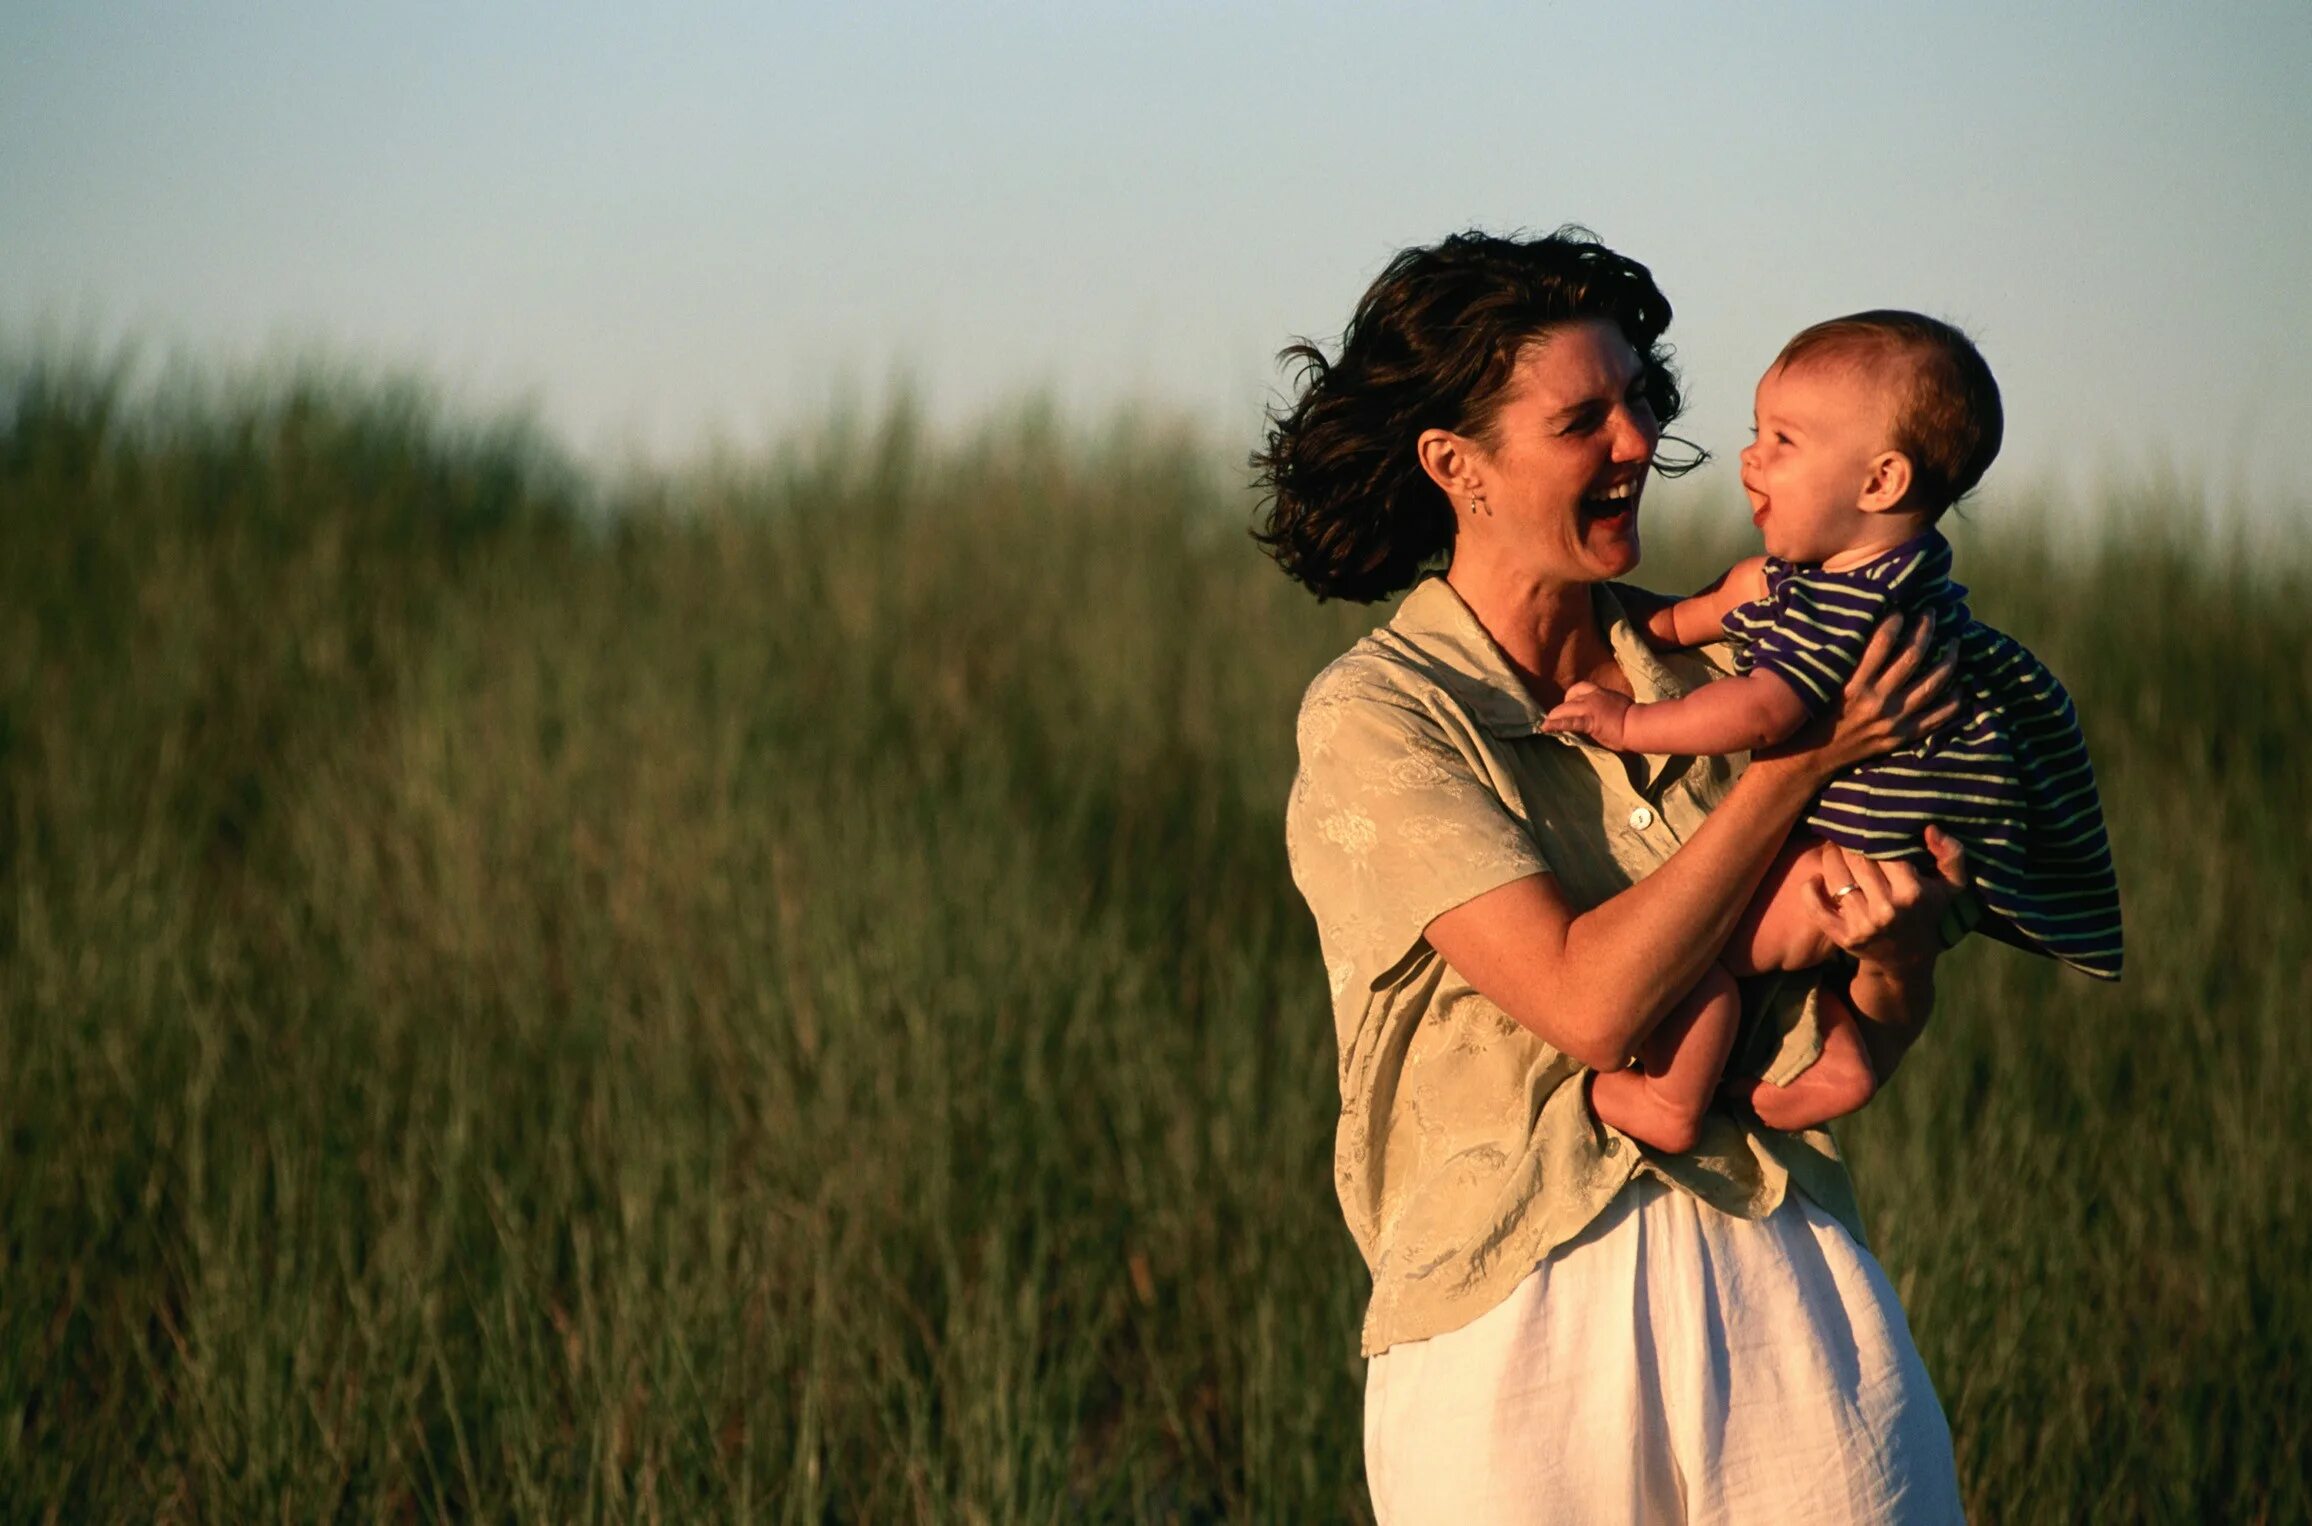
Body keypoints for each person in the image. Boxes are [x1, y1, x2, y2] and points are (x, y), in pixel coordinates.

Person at [1258, 229, 1972, 1521]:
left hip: (1779, 1276)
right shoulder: (1383, 715)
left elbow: (1844, 1043)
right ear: (1454, 465)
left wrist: (1901, 955)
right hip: (1508, 1320)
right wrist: (1794, 767)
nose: (1638, 439)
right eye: (1584, 415)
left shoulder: (1732, 664)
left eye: (1642, 399)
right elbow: (1588, 1005)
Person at [1542, 311, 2123, 1155]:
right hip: (1889, 857)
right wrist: (1657, 621)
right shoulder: (1886, 582)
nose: (1751, 458)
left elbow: (1765, 710)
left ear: (1880, 481)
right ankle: (1845, 1047)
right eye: (1756, 432)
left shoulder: (1845, 603)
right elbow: (1679, 619)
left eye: (1783, 440)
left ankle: (1670, 1100)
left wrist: (1631, 722)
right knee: (1788, 949)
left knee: (1693, 957)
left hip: (1845, 862)